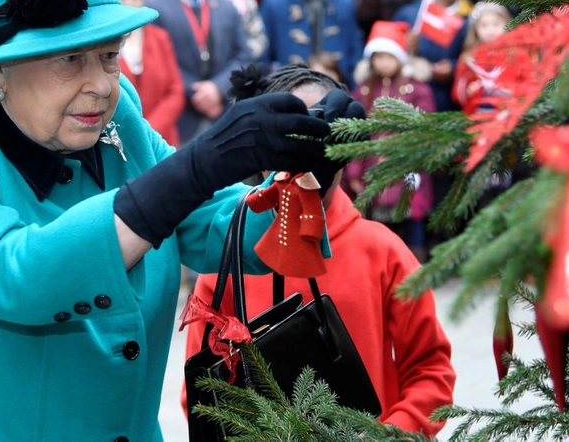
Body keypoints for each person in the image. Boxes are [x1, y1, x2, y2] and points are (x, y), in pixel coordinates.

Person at [0, 0, 353, 441]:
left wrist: (310, 163)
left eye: (109, 54)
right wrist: (195, 167)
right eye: (68, 59)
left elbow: (222, 231)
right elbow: (10, 276)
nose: (101, 83)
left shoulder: (114, 112)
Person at [183, 63, 455, 438]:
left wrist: (390, 433)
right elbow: (201, 395)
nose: (307, 160)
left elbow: (430, 372)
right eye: (290, 140)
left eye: (323, 140)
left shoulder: (383, 252)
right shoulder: (223, 263)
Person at [144, 0, 251, 143]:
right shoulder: (152, 6)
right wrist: (196, 91)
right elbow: (154, 61)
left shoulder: (227, 7)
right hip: (178, 119)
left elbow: (244, 56)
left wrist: (217, 88)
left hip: (222, 115)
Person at [345, 20, 436, 260]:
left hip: (407, 163)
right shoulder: (364, 90)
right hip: (373, 164)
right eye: (378, 57)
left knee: (411, 211)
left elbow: (426, 126)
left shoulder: (416, 90)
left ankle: (415, 259)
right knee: (380, 217)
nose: (383, 62)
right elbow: (356, 132)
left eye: (389, 56)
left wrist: (415, 155)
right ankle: (384, 261)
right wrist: (354, 171)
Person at [112, 0, 185, 146]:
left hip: (161, 140)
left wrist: (148, 129)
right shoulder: (102, 44)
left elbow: (175, 90)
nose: (130, 3)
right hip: (121, 141)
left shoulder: (159, 37)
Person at [394, 0, 473, 112]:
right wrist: (406, 46)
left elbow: (472, 55)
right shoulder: (410, 13)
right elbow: (388, 49)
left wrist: (452, 68)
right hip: (406, 94)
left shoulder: (468, 20)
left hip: (444, 100)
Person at [452, 2, 513, 116]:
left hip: (506, 116)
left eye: (496, 24)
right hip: (476, 115)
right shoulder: (469, 59)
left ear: (507, 24)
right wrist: (468, 90)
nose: (490, 30)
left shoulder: (514, 55)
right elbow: (458, 92)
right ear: (475, 30)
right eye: (484, 25)